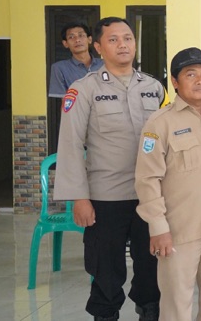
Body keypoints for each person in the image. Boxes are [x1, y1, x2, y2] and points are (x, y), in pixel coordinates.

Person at [55, 17, 165, 321]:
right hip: (105, 198)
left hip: (149, 196)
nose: (122, 45)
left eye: (128, 38)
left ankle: (149, 311)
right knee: (106, 270)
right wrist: (79, 197)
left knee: (151, 267)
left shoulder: (154, 87)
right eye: (113, 39)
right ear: (98, 47)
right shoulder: (83, 89)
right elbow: (70, 145)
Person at [134, 48, 201, 321]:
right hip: (178, 230)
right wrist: (158, 227)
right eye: (191, 74)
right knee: (176, 304)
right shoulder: (159, 123)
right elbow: (147, 179)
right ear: (175, 82)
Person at [48, 21, 103, 98]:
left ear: (89, 39)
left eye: (81, 35)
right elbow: (64, 101)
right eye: (71, 37)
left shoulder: (105, 64)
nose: (77, 40)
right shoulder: (59, 68)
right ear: (65, 43)